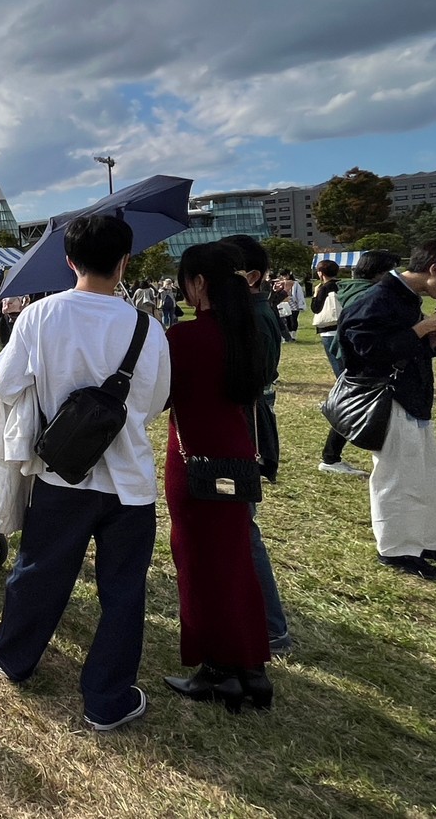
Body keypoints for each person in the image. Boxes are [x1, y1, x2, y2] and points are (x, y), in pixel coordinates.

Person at [0, 215, 170, 731]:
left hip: (63, 476)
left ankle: (13, 654)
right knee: (124, 592)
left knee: (40, 571)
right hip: (130, 480)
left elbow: (3, 380)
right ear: (125, 261)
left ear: (68, 260)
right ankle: (108, 697)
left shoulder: (40, 316)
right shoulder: (148, 327)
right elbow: (153, 403)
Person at [164, 242, 273, 713]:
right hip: (238, 459)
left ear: (199, 284)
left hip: (194, 461)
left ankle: (216, 669)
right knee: (236, 565)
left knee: (198, 567)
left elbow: (158, 397)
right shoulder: (250, 333)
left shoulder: (183, 338)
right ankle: (251, 665)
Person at [337, 238, 436, 579]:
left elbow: (409, 346)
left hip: (412, 396)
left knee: (425, 475)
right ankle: (396, 549)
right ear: (434, 270)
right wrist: (425, 327)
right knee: (396, 478)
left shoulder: (404, 297)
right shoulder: (378, 298)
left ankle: (425, 543)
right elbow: (364, 352)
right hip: (388, 398)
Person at [217, 233, 293, 656]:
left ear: (250, 277)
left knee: (241, 528)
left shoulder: (254, 316)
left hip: (243, 429)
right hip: (242, 425)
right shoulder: (246, 312)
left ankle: (271, 626)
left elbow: (244, 382)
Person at [319, 250, 401, 477]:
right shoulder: (369, 294)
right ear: (380, 272)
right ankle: (330, 457)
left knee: (354, 403)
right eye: (392, 270)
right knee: (353, 404)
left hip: (355, 355)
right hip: (361, 358)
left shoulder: (360, 289)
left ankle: (331, 457)